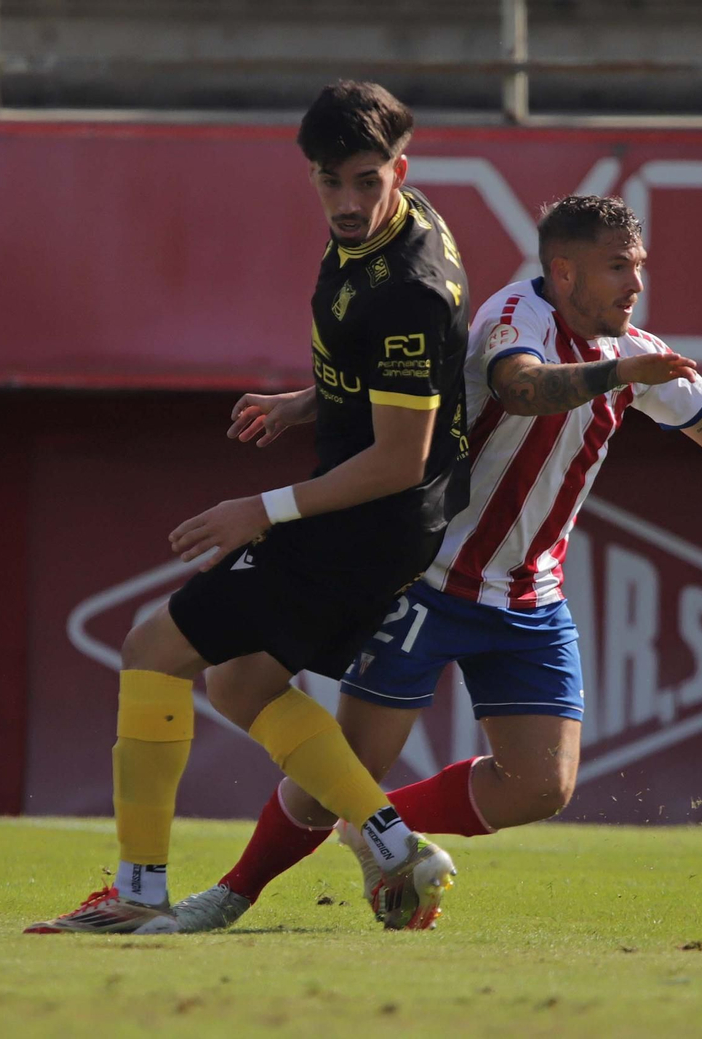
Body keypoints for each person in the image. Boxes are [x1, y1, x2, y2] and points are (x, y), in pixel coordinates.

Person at [173, 194, 702, 933]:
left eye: (638, 267)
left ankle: (375, 831)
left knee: (539, 786)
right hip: (429, 580)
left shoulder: (629, 348)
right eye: (618, 267)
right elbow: (521, 389)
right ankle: (230, 894)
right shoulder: (516, 319)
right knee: (339, 777)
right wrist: (622, 374)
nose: (635, 283)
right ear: (564, 271)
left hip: (527, 598)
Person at [26, 80, 474, 934]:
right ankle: (390, 841)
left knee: (153, 648)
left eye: (365, 181)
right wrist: (311, 403)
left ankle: (138, 892)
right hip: (377, 518)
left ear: (399, 169)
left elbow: (397, 456)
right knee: (238, 681)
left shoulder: (407, 286)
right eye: (330, 180)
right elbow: (395, 392)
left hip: (363, 521)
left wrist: (261, 509)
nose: (347, 201)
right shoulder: (398, 227)